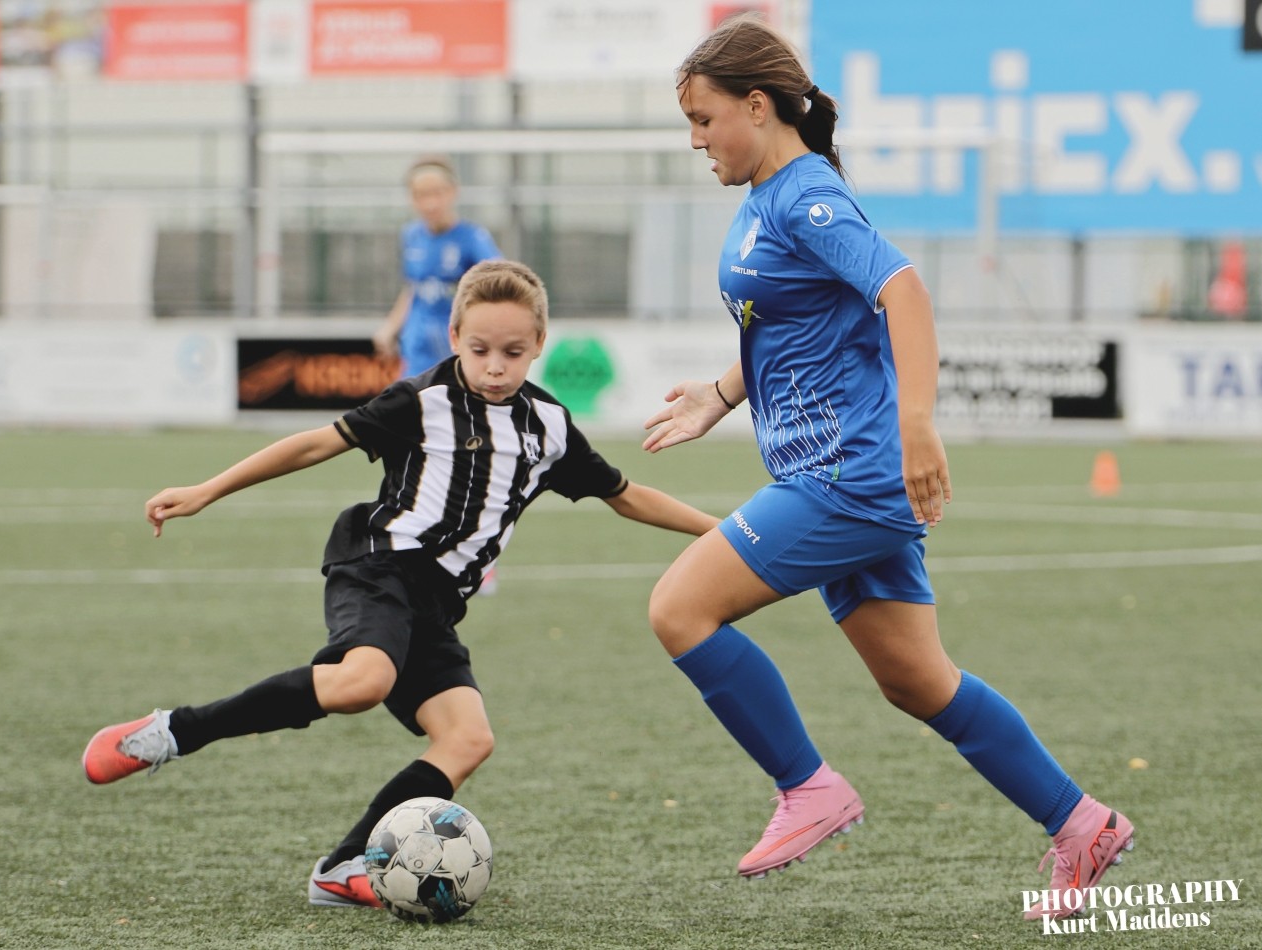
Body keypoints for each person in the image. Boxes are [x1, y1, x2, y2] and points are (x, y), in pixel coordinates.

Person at [641, 16, 1133, 922]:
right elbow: (787, 324)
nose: (696, 140)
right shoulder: (763, 199)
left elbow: (901, 290)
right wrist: (719, 392)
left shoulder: (806, 198)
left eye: (704, 119)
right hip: (835, 471)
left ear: (758, 105)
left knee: (678, 608)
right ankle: (1081, 824)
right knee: (917, 681)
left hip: (845, 476)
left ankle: (807, 787)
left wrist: (916, 426)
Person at [83, 259, 720, 910]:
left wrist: (723, 532)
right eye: (479, 350)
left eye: (512, 352)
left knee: (468, 739)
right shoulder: (419, 401)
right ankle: (175, 731)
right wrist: (207, 489)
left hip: (437, 603)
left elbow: (625, 495)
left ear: (538, 345)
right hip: (379, 563)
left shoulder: (548, 428)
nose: (494, 367)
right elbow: (313, 445)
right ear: (454, 337)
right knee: (363, 681)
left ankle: (341, 867)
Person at [372, 157, 502, 379]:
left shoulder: (473, 238)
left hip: (454, 347)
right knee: (411, 396)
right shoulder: (411, 235)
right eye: (421, 195)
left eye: (437, 193)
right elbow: (413, 288)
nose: (430, 203)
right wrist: (391, 327)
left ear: (453, 192)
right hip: (417, 346)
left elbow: (499, 283)